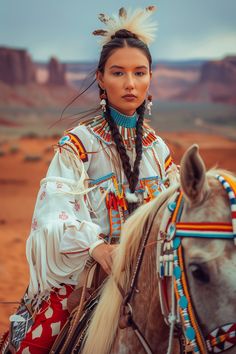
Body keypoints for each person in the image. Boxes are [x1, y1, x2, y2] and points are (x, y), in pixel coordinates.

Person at [1, 5, 178, 353]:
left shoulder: (159, 151)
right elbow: (54, 213)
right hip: (91, 274)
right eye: (118, 72)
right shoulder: (79, 144)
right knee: (36, 343)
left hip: (153, 280)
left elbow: (176, 213)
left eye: (140, 73)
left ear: (150, 77)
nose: (130, 83)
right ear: (100, 77)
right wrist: (98, 247)